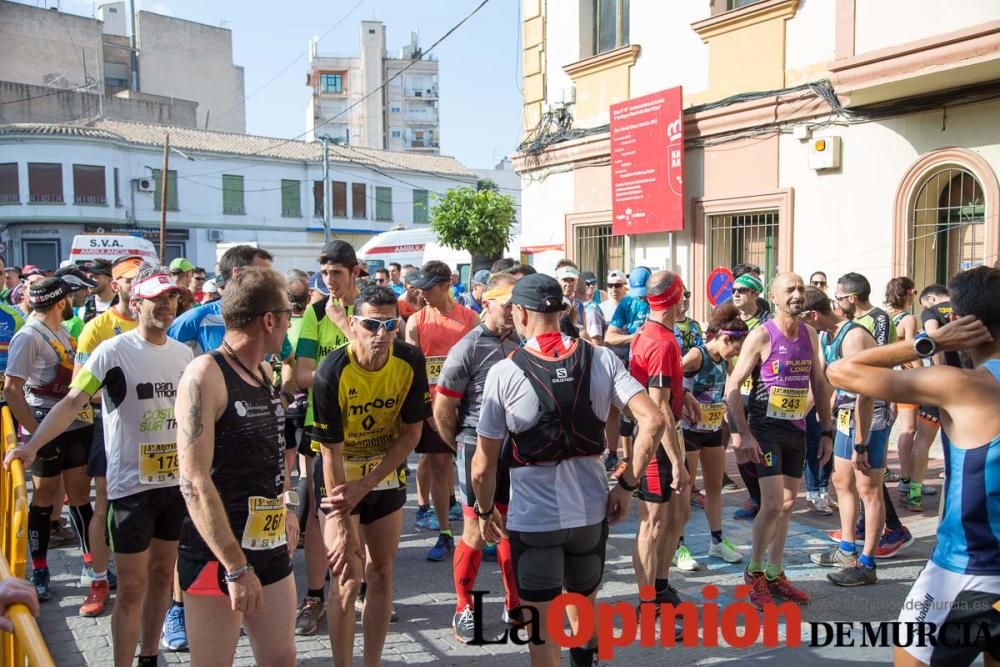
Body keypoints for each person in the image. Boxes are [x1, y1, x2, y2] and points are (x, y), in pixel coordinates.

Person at [472, 273, 666, 666]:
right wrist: (627, 484)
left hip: (535, 519)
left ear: (520, 313)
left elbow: (482, 465)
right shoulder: (601, 358)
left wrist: (483, 508)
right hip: (591, 513)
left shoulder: (504, 372)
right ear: (563, 310)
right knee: (584, 607)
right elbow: (654, 421)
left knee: (543, 634)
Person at [8, 265, 193, 666]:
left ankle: (149, 657)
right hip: (130, 489)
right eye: (157, 299)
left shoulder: (184, 354)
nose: (166, 305)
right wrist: (31, 445)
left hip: (172, 486)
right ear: (137, 302)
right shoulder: (113, 350)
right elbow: (73, 402)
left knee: (163, 576)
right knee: (130, 588)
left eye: (171, 298)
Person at [827, 265, 1000, 667]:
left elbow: (842, 371)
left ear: (959, 322)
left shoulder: (962, 385)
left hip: (966, 573)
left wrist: (927, 342)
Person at [174, 267, 298, 667]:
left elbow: (270, 453)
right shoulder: (204, 374)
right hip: (219, 553)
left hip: (268, 541)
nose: (289, 324)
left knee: (281, 658)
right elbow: (193, 481)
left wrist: (288, 504)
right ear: (268, 320)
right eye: (289, 314)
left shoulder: (263, 372)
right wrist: (235, 565)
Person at [314, 285, 430, 667]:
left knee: (381, 571)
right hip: (338, 474)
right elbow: (330, 452)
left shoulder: (410, 361)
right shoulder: (331, 371)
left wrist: (368, 482)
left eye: (389, 324)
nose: (381, 334)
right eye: (371, 324)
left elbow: (412, 433)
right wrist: (344, 525)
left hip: (382, 471)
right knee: (345, 576)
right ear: (353, 324)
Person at [725, 272, 833, 608]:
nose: (797, 294)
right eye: (790, 289)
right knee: (771, 504)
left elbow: (819, 382)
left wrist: (826, 431)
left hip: (796, 429)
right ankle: (754, 571)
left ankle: (775, 572)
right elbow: (732, 387)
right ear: (774, 296)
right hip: (765, 429)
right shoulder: (761, 335)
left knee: (788, 505)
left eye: (801, 289)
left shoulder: (810, 334)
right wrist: (741, 434)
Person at [433, 273, 522, 642]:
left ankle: (514, 603)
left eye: (518, 306)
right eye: (507, 306)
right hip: (475, 444)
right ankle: (463, 607)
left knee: (509, 528)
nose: (514, 313)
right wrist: (459, 448)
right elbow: (443, 407)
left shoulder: (521, 341)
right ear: (487, 303)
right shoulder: (467, 347)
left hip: (513, 445)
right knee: (474, 529)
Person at [4, 276, 98, 602]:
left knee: (80, 497)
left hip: (76, 424)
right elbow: (11, 389)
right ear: (60, 302)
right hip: (45, 422)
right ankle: (41, 568)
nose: (74, 300)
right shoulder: (28, 336)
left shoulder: (61, 331)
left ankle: (91, 565)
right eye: (70, 297)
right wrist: (36, 434)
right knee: (43, 500)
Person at [294, 241, 362, 634]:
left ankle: (364, 588)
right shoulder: (314, 314)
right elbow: (304, 373)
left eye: (337, 272)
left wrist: (344, 327)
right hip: (322, 429)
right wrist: (346, 374)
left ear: (355, 273)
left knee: (364, 514)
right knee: (322, 518)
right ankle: (315, 596)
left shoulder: (372, 310)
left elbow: (381, 362)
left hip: (369, 428)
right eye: (325, 273)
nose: (330, 280)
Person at [72, 255, 142, 617]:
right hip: (110, 427)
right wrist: (122, 390)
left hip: (153, 429)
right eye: (131, 279)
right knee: (104, 504)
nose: (138, 285)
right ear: (116, 285)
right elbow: (80, 389)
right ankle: (99, 579)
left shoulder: (163, 322)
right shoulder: (96, 328)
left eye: (143, 278)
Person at [803, 287, 886, 587]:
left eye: (802, 318)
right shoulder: (825, 337)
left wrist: (861, 444)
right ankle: (847, 549)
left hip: (870, 414)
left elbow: (867, 391)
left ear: (813, 314)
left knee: (868, 487)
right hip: (845, 414)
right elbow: (822, 386)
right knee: (841, 480)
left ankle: (867, 563)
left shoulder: (854, 337)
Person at [627, 271, 692, 619]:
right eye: (685, 296)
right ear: (677, 298)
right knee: (652, 523)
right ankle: (648, 601)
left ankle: (661, 585)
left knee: (679, 514)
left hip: (659, 435)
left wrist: (688, 395)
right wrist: (677, 462)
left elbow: (664, 391)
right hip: (655, 442)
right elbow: (659, 405)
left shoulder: (654, 333)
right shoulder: (663, 341)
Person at [834, 272, 913, 556]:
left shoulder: (877, 320)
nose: (837, 302)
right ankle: (862, 529)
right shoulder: (851, 323)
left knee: (869, 475)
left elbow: (876, 363)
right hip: (851, 405)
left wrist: (884, 398)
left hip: (873, 404)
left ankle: (892, 529)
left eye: (839, 297)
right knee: (853, 477)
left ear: (851, 298)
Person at [405, 260, 479, 561]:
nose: (423, 294)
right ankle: (445, 533)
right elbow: (412, 371)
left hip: (466, 407)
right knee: (437, 466)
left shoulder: (471, 320)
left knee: (474, 470)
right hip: (433, 407)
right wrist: (425, 409)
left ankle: (479, 530)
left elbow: (479, 367)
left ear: (447, 284)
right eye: (419, 288)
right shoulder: (416, 322)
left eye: (428, 288)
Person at [679, 303, 747, 566]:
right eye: (737, 347)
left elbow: (730, 390)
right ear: (725, 338)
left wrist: (739, 426)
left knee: (715, 488)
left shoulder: (725, 360)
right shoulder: (697, 356)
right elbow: (672, 379)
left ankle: (717, 541)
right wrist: (684, 398)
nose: (737, 353)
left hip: (713, 430)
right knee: (684, 489)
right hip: (689, 432)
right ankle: (679, 546)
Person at [906, 283, 959, 514]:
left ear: (929, 299)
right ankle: (955, 495)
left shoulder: (932, 311)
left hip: (938, 385)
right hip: (966, 383)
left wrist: (939, 371)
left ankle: (914, 495)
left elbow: (933, 338)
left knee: (923, 441)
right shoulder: (963, 305)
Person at [728, 271, 773, 520]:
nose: (735, 294)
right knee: (739, 447)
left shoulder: (767, 321)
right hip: (735, 394)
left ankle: (767, 497)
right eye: (734, 290)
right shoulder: (730, 319)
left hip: (760, 394)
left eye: (742, 290)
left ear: (755, 293)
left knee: (761, 447)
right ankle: (754, 496)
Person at [884, 277, 922, 502]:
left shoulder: (885, 316)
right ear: (909, 293)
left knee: (887, 424)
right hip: (905, 378)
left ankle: (884, 468)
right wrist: (924, 373)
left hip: (887, 377)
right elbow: (911, 350)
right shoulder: (908, 319)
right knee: (908, 429)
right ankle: (907, 479)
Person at [604, 266, 651, 351]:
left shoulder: (661, 299)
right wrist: (636, 337)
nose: (641, 297)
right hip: (634, 357)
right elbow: (609, 338)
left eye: (643, 291)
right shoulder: (627, 303)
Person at [673, 287, 703, 355]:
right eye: (680, 295)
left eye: (687, 295)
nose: (684, 299)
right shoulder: (666, 326)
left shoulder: (695, 325)